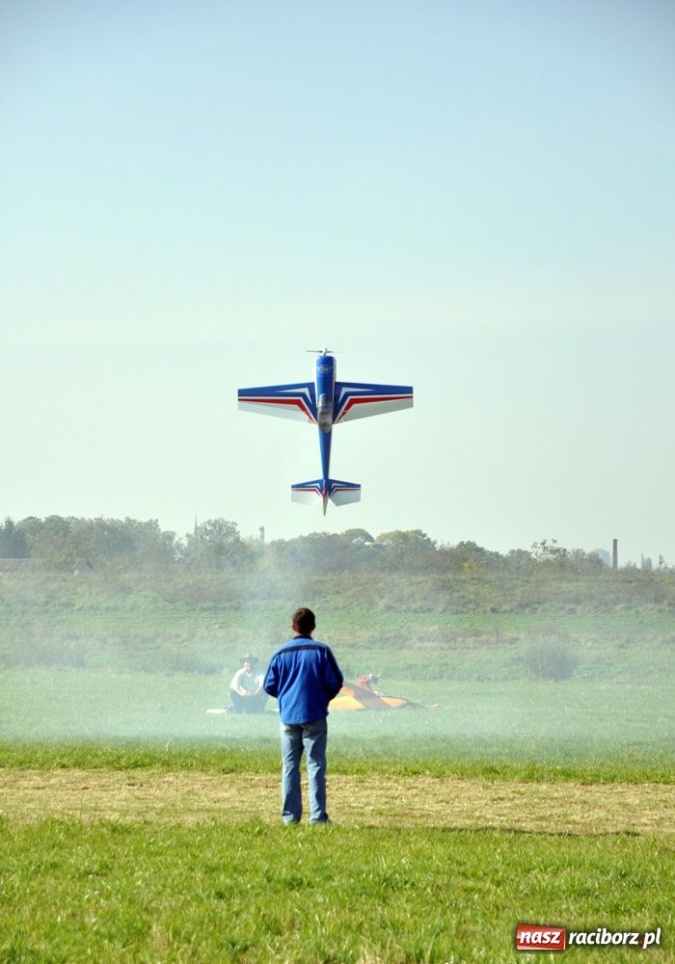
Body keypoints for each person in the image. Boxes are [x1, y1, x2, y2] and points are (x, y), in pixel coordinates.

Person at [263, 607, 344, 825]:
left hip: (288, 717)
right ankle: (318, 817)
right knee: (315, 765)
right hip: (315, 714)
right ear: (314, 626)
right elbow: (336, 681)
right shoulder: (322, 651)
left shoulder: (280, 653)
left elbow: (269, 686)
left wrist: (286, 697)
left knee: (289, 767)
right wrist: (322, 697)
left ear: (292, 626)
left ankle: (290, 817)